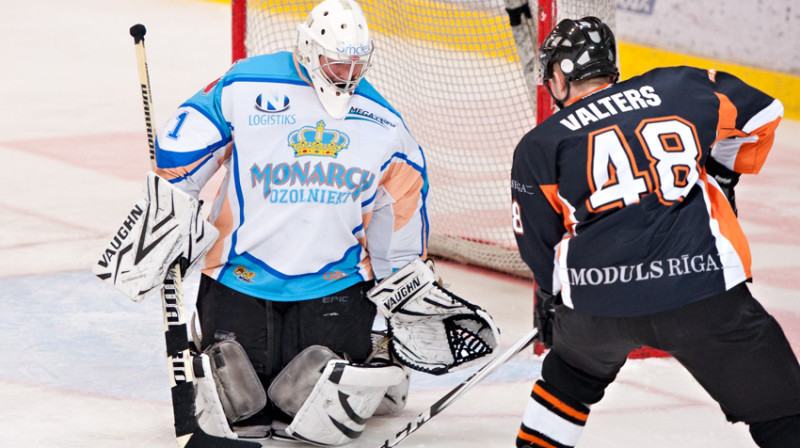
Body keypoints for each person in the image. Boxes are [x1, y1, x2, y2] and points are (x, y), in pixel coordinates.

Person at [510, 16, 800, 448]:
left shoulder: (539, 144)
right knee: (783, 410)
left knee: (568, 378)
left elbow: (540, 245)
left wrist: (557, 305)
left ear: (561, 74)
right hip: (700, 289)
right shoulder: (679, 88)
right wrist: (719, 169)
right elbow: (764, 114)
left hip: (597, 303)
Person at [152, 0, 425, 442]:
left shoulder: (384, 122)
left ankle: (370, 356)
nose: (347, 75)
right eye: (337, 63)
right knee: (241, 406)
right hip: (237, 277)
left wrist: (398, 298)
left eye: (356, 64)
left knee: (310, 404)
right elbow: (182, 146)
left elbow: (401, 211)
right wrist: (171, 207)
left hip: (334, 285)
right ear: (308, 50)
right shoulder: (246, 83)